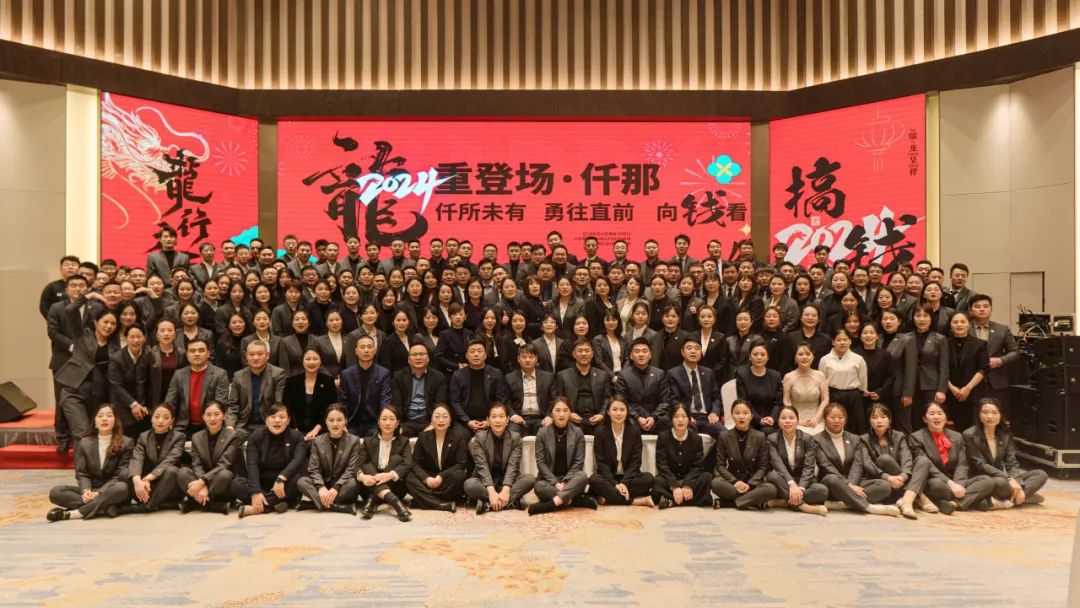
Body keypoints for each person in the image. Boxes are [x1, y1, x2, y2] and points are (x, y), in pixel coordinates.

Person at [47, 403, 134, 522]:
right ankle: (105, 506)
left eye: (109, 415)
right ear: (95, 422)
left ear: (115, 421)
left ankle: (77, 513)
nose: (104, 419)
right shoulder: (84, 443)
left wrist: (100, 493)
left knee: (122, 488)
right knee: (56, 492)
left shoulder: (127, 443)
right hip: (92, 489)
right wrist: (86, 491)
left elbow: (120, 475)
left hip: (112, 489)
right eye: (100, 416)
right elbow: (82, 473)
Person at [813, 403, 901, 517]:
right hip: (833, 484)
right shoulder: (816, 440)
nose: (837, 420)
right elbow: (826, 465)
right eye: (832, 417)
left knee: (884, 485)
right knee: (831, 479)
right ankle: (870, 507)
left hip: (853, 481)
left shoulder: (854, 438)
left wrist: (852, 483)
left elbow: (858, 463)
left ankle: (843, 504)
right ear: (824, 419)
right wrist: (848, 484)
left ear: (845, 420)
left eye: (840, 417)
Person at [910, 402, 996, 513]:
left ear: (946, 418)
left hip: (956, 480)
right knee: (936, 485)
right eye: (932, 414)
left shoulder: (957, 436)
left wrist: (958, 484)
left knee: (987, 481)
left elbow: (962, 464)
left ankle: (953, 503)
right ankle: (973, 500)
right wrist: (950, 484)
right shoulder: (916, 437)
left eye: (940, 413)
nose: (936, 417)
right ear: (925, 419)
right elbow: (928, 466)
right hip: (934, 480)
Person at [963, 398, 1048, 509]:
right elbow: (981, 464)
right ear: (978, 415)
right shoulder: (970, 434)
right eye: (985, 412)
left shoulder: (1005, 434)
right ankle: (1023, 497)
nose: (990, 416)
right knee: (1001, 482)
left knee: (1040, 474)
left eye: (995, 413)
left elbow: (1011, 463)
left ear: (1000, 415)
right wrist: (1008, 478)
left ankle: (1006, 500)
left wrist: (1017, 483)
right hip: (982, 480)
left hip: (1001, 478)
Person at [231, 404, 308, 518]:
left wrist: (281, 479)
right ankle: (275, 503)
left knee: (298, 481)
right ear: (266, 420)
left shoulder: (296, 437)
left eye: (282, 417)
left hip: (285, 482)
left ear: (288, 421)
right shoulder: (256, 436)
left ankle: (259, 507)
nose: (277, 420)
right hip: (262, 482)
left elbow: (298, 460)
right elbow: (252, 465)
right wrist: (255, 492)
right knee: (236, 484)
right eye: (273, 417)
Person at [55, 309, 120, 440]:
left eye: (113, 323)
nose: (109, 326)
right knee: (82, 433)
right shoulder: (82, 335)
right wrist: (86, 298)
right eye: (105, 322)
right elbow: (70, 310)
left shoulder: (115, 348)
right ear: (95, 322)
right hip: (74, 391)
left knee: (94, 435)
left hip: (97, 396)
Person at [860, 404, 931, 519]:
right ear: (869, 420)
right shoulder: (863, 439)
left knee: (923, 460)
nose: (879, 421)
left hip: (901, 481)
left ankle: (907, 502)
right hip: (884, 483)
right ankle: (919, 496)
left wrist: (903, 476)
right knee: (885, 459)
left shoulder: (899, 436)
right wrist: (888, 477)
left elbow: (906, 458)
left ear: (890, 420)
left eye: (883, 417)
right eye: (874, 417)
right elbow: (868, 464)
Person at [529, 397, 596, 515]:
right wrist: (556, 483)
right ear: (551, 413)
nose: (561, 414)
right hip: (550, 481)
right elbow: (541, 463)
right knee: (538, 486)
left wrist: (565, 483)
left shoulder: (577, 432)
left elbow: (579, 462)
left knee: (582, 477)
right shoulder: (542, 433)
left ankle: (552, 504)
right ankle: (574, 500)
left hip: (570, 479)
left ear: (570, 413)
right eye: (558, 410)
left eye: (565, 410)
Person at [467, 403, 537, 514]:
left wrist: (506, 489)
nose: (498, 420)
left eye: (501, 416)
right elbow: (482, 467)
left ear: (507, 419)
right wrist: (491, 491)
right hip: (485, 482)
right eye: (494, 417)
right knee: (469, 485)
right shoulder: (479, 438)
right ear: (488, 420)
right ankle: (512, 501)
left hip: (508, 481)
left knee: (530, 479)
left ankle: (488, 504)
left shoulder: (515, 438)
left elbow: (513, 466)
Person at [588, 397, 656, 507]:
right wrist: (615, 484)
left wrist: (624, 483)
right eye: (614, 409)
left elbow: (636, 462)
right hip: (609, 478)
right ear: (608, 412)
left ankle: (609, 497)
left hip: (629, 478)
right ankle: (635, 501)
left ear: (627, 412)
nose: (618, 413)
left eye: (622, 410)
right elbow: (601, 463)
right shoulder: (600, 431)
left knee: (649, 478)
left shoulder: (634, 431)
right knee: (594, 480)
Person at [710, 400, 777, 509]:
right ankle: (753, 501)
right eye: (737, 413)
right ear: (732, 415)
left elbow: (763, 467)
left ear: (751, 416)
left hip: (752, 483)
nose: (741, 417)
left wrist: (750, 484)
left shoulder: (760, 436)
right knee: (715, 483)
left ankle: (729, 503)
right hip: (733, 483)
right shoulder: (724, 436)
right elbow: (720, 465)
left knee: (771, 489)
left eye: (745, 413)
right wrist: (735, 482)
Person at [119, 403, 184, 514]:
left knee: (172, 470)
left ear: (172, 421)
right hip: (147, 487)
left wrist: (148, 478)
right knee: (125, 473)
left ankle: (148, 506)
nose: (160, 421)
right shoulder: (144, 436)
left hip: (167, 485)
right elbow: (137, 459)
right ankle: (156, 503)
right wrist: (137, 480)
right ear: (151, 419)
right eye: (157, 416)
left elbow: (170, 460)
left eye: (166, 417)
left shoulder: (179, 437)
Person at [296, 404, 362, 514]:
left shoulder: (354, 441)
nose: (335, 424)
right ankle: (337, 507)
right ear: (326, 421)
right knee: (302, 482)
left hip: (342, 486)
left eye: (339, 420)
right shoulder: (318, 441)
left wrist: (336, 488)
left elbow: (351, 469)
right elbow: (313, 468)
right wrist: (321, 487)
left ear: (345, 420)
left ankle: (314, 503)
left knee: (353, 483)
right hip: (323, 484)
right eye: (331, 420)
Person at [177, 401, 238, 514]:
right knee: (182, 472)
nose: (212, 418)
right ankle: (214, 506)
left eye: (217, 414)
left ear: (224, 416)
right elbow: (197, 464)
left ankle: (194, 503)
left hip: (220, 482)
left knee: (225, 474)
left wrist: (202, 481)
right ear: (203, 417)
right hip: (202, 478)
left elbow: (224, 464)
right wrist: (202, 484)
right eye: (208, 415)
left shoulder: (233, 435)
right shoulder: (196, 437)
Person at [766, 406, 828, 515]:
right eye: (783, 418)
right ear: (779, 422)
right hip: (784, 481)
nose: (787, 421)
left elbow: (809, 467)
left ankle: (785, 502)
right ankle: (804, 507)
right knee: (772, 475)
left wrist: (801, 488)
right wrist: (791, 483)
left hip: (802, 481)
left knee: (822, 490)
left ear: (797, 421)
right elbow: (777, 464)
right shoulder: (772, 439)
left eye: (791, 418)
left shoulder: (807, 439)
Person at [406, 403, 469, 512]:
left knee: (460, 476)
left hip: (446, 478)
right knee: (408, 476)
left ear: (450, 420)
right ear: (431, 419)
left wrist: (441, 476)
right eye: (437, 416)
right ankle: (438, 504)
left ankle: (423, 499)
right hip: (428, 478)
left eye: (445, 416)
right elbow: (415, 463)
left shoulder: (458, 438)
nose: (441, 420)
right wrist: (426, 478)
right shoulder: (423, 437)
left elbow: (461, 464)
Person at [356, 406, 413, 522]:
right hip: (369, 485)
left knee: (397, 459)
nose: (388, 423)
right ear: (378, 422)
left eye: (392, 419)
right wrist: (363, 477)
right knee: (367, 466)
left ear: (397, 423)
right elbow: (357, 465)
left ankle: (371, 502)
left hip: (395, 487)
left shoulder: (404, 441)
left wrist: (390, 475)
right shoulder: (367, 441)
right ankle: (397, 504)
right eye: (384, 419)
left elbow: (408, 464)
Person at [164, 338, 230, 436]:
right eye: (192, 351)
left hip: (210, 425)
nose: (197, 354)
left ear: (208, 354)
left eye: (201, 350)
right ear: (187, 355)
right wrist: (167, 419)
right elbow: (170, 402)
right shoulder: (179, 374)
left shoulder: (220, 374)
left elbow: (220, 403)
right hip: (183, 426)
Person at [968, 294, 1021, 415]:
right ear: (971, 310)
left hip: (996, 381)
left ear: (991, 309)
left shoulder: (1002, 329)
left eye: (985, 306)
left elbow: (1015, 352)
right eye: (977, 307)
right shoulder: (964, 328)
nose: (982, 309)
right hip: (970, 380)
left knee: (997, 416)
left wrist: (1000, 360)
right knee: (973, 416)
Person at [653, 403, 712, 508]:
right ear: (671, 419)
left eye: (684, 416)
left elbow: (697, 466)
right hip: (670, 479)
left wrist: (687, 485)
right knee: (657, 481)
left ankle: (670, 501)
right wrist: (674, 486)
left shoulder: (696, 439)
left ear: (689, 419)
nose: (680, 420)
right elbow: (662, 465)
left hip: (688, 478)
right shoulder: (663, 437)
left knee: (706, 477)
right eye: (676, 416)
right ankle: (693, 500)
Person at [225, 341, 287, 440]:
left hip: (269, 425)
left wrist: (272, 424)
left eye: (260, 354)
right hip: (244, 426)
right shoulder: (238, 376)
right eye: (251, 354)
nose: (255, 358)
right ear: (246, 356)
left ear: (267, 355)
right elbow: (233, 405)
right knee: (228, 442)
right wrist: (230, 426)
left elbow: (278, 404)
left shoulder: (278, 374)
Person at [666, 337, 725, 439]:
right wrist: (685, 415)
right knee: (690, 438)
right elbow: (673, 399)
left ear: (701, 353)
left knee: (726, 435)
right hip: (687, 417)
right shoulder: (673, 373)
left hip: (707, 418)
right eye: (689, 348)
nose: (693, 351)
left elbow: (716, 397)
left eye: (697, 348)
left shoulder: (708, 372)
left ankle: (711, 451)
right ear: (682, 352)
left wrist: (714, 412)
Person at [614, 337, 673, 434]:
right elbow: (622, 401)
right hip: (634, 418)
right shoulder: (623, 375)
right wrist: (638, 417)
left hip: (656, 418)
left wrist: (653, 417)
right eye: (637, 351)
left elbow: (665, 400)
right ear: (631, 356)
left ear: (650, 355)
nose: (641, 354)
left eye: (645, 351)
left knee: (666, 420)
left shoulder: (659, 374)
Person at [337, 334, 393, 436]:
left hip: (374, 423)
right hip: (352, 423)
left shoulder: (383, 374)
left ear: (374, 350)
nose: (366, 350)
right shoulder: (346, 374)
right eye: (362, 347)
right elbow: (342, 402)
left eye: (369, 347)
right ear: (356, 351)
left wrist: (382, 423)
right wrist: (343, 423)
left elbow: (385, 401)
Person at [450, 338, 510, 431]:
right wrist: (467, 421)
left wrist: (490, 420)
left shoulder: (496, 373)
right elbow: (455, 402)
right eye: (472, 351)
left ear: (485, 355)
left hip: (491, 420)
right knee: (458, 435)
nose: (476, 354)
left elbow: (501, 400)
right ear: (466, 356)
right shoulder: (458, 375)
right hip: (465, 421)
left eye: (479, 351)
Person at [390, 342, 449, 436]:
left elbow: (440, 403)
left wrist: (433, 424)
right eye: (414, 355)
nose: (418, 357)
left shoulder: (438, 377)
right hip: (406, 422)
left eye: (421, 354)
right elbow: (396, 404)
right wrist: (398, 425)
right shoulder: (399, 377)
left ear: (428, 358)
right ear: (409, 360)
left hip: (428, 421)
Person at [818, 328, 869, 435]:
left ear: (850, 341)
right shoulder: (825, 360)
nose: (842, 342)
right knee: (834, 426)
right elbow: (821, 381)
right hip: (833, 395)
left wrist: (862, 390)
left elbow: (863, 381)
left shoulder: (858, 359)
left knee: (855, 427)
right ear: (833, 342)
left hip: (853, 396)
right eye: (839, 340)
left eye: (845, 339)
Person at [107, 323, 154, 438]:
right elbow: (116, 386)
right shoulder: (116, 359)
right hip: (124, 403)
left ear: (144, 338)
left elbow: (150, 382)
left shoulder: (150, 354)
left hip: (144, 405)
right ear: (125, 338)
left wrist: (143, 405)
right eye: (132, 337)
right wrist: (133, 404)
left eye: (139, 336)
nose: (136, 340)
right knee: (129, 436)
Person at [945, 311, 989, 427]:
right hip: (949, 393)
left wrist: (968, 388)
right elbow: (940, 368)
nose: (959, 325)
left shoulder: (980, 344)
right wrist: (952, 388)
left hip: (973, 393)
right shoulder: (943, 343)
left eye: (963, 322)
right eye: (955, 322)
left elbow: (983, 369)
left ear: (969, 324)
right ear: (950, 324)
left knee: (972, 428)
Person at [283, 348, 338, 439]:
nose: (311, 362)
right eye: (308, 359)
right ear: (302, 361)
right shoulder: (291, 382)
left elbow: (330, 409)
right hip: (294, 431)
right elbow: (286, 408)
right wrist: (295, 431)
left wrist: (316, 430)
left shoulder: (328, 381)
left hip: (321, 431)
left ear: (320, 361)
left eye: (315, 359)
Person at [910, 303, 949, 428]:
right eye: (918, 316)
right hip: (911, 384)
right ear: (913, 318)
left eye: (925, 316)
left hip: (932, 384)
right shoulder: (906, 337)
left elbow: (944, 366)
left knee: (932, 417)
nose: (921, 319)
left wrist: (942, 390)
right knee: (913, 417)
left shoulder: (940, 339)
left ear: (931, 318)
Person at [881, 308, 917, 433]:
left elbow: (911, 368)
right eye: (885, 319)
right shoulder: (878, 338)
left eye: (892, 319)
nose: (888, 322)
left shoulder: (907, 339)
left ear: (899, 321)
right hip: (883, 389)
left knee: (902, 424)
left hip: (899, 391)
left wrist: (908, 393)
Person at [504, 344, 554, 436]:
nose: (527, 360)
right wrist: (513, 415)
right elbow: (506, 401)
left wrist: (549, 416)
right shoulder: (509, 378)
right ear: (518, 359)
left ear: (536, 359)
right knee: (512, 434)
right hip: (519, 418)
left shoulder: (548, 377)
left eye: (531, 357)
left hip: (541, 418)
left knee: (548, 432)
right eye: (524, 357)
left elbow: (553, 400)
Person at [735, 343, 782, 434]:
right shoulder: (742, 375)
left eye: (763, 354)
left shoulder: (775, 376)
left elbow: (778, 402)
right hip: (749, 418)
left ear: (767, 357)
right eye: (755, 354)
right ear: (749, 357)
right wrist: (759, 420)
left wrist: (772, 418)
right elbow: (744, 401)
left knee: (767, 430)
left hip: (770, 420)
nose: (759, 357)